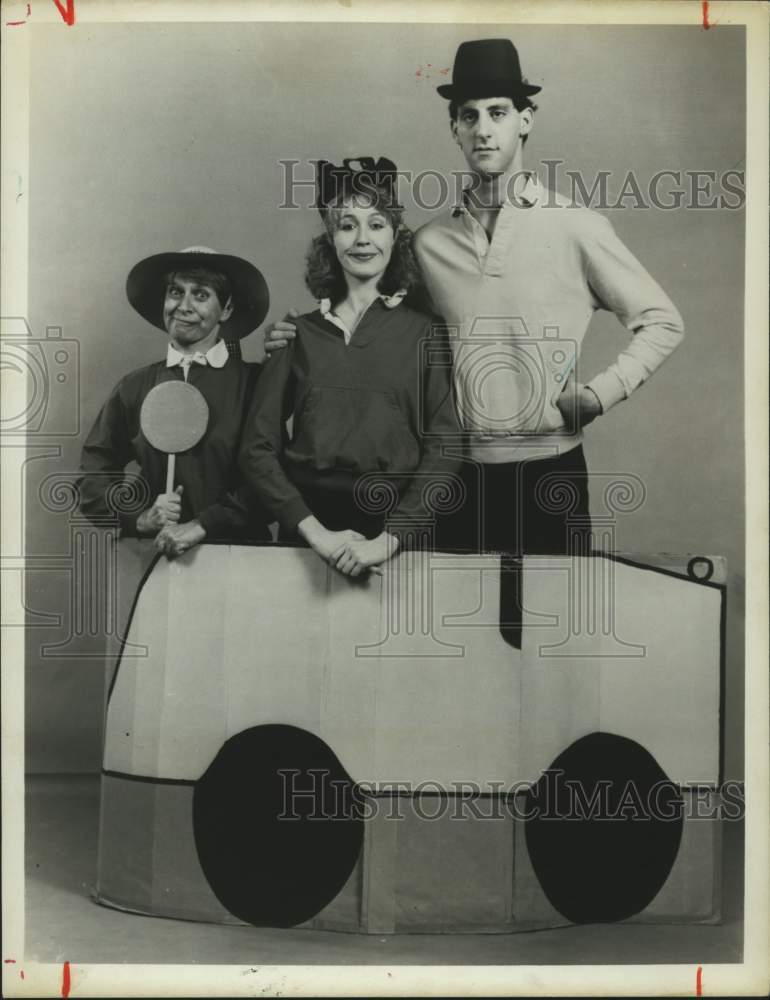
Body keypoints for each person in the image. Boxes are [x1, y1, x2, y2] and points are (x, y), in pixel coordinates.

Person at [264, 39, 685, 557]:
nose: (484, 128)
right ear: (454, 129)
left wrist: (601, 394)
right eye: (469, 116)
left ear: (525, 120)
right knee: (461, 630)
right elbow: (376, 329)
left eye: (499, 113)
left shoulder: (576, 226)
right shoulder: (429, 242)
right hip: (456, 478)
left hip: (551, 473)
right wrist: (296, 334)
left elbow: (662, 320)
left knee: (551, 631)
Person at [238, 157, 461, 577]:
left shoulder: (426, 333)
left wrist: (389, 540)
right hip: (308, 531)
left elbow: (446, 447)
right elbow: (257, 449)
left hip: (398, 533)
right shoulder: (296, 334)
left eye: (376, 224)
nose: (362, 239)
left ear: (396, 236)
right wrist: (316, 534)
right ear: (330, 238)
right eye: (347, 225)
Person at [78, 246, 272, 556]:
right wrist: (138, 518)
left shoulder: (254, 384)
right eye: (175, 292)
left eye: (201, 295)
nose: (183, 306)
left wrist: (205, 523)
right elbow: (94, 472)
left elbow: (274, 478)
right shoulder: (135, 386)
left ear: (227, 309)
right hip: (158, 560)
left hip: (240, 558)